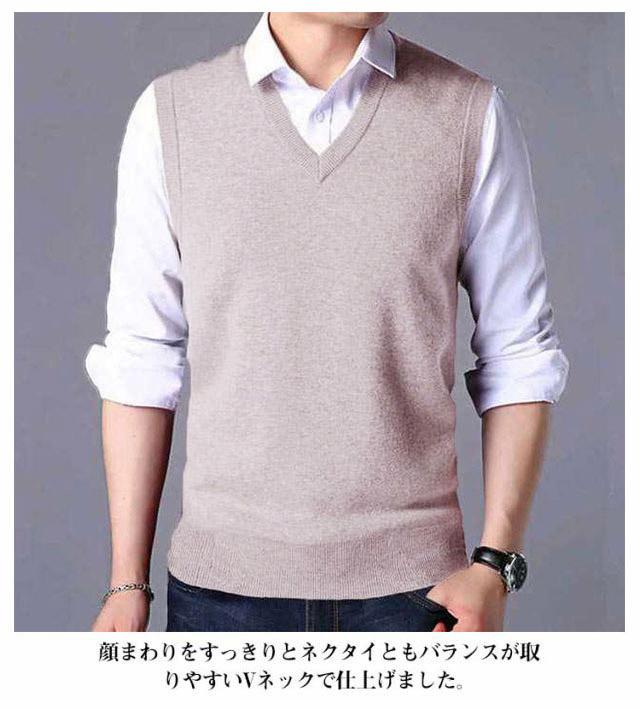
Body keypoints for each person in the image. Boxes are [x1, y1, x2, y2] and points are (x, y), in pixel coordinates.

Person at [87, 12, 569, 632]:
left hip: (418, 595)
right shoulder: (172, 116)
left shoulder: (470, 114)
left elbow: (520, 354)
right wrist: (127, 581)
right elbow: (142, 359)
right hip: (219, 596)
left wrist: (495, 563)